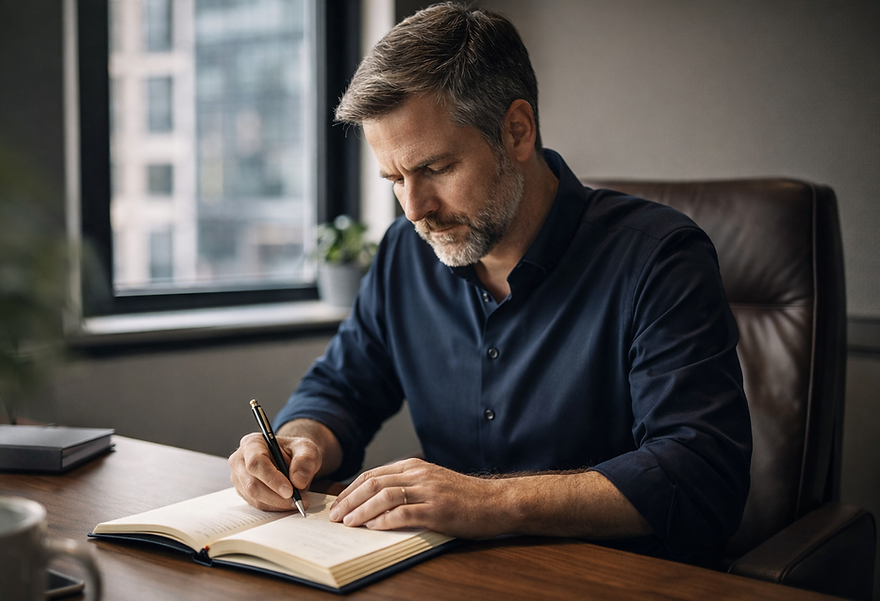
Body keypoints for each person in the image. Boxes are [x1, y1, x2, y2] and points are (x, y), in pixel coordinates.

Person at [229, 2, 751, 567]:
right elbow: (342, 389)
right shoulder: (407, 252)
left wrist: (491, 501)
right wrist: (299, 442)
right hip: (457, 589)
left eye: (434, 168)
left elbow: (700, 474)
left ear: (517, 131)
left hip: (629, 593)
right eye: (394, 179)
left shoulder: (659, 258)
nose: (414, 209)